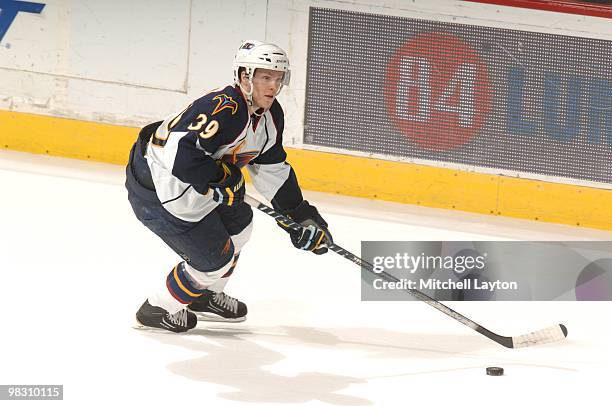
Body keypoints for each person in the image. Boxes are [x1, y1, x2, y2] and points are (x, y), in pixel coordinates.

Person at [125, 40, 333, 333]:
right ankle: (157, 309)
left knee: (240, 224)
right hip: (158, 189)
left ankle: (204, 296)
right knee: (212, 262)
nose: (272, 86)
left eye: (277, 78)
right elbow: (180, 156)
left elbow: (272, 169)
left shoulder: (271, 116)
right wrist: (223, 178)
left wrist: (300, 216)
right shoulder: (225, 108)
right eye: (265, 77)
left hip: (192, 184)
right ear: (245, 76)